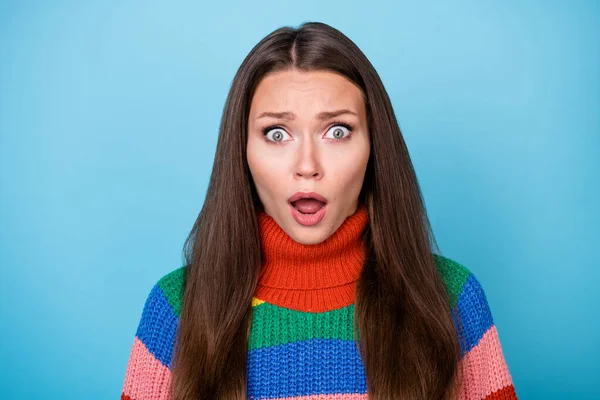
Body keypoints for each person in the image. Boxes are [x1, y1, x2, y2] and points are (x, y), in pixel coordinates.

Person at [120, 22, 517, 400]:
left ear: (374, 148)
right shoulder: (177, 309)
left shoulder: (451, 299)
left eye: (337, 131)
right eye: (276, 133)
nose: (307, 164)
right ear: (241, 153)